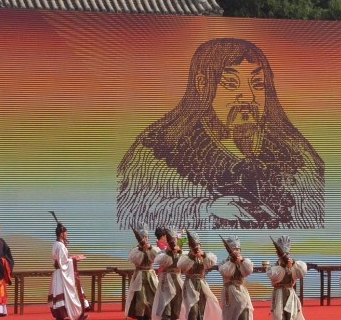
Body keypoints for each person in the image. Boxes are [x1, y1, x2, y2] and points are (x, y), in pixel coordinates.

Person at [117, 37, 325, 229]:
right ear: (202, 85)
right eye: (231, 84)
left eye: (257, 84)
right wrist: (207, 209)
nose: (248, 97)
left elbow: (315, 213)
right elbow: (132, 212)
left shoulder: (294, 151)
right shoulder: (160, 149)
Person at [269, 235, 310, 320]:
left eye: (287, 253)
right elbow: (273, 275)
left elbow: (302, 271)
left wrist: (293, 264)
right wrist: (283, 265)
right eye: (283, 253)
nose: (286, 255)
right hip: (279, 294)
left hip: (291, 294)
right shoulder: (275, 267)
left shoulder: (296, 265)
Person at [177, 231, 220, 320]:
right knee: (193, 309)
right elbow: (181, 265)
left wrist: (203, 254)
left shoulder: (203, 256)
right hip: (190, 284)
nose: (197, 248)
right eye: (194, 246)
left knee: (200, 309)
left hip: (201, 284)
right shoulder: (186, 256)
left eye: (198, 245)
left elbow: (212, 261)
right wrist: (192, 256)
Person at [219, 236, 255, 320]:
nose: (237, 251)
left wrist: (241, 261)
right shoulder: (225, 262)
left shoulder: (244, 261)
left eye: (238, 249)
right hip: (229, 291)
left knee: (244, 313)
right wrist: (232, 262)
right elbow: (226, 272)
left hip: (241, 289)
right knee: (228, 316)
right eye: (234, 249)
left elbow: (248, 271)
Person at [50, 219, 88, 320]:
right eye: (66, 232)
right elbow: (63, 263)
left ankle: (66, 315)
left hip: (59, 273)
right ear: (61, 234)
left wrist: (72, 257)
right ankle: (70, 314)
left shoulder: (56, 244)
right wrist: (75, 259)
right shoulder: (61, 246)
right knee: (67, 293)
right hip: (62, 274)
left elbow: (62, 259)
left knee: (63, 294)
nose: (67, 234)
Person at [151, 228, 184, 320]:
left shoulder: (181, 252)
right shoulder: (163, 252)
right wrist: (169, 251)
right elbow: (160, 260)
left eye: (175, 239)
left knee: (176, 303)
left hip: (177, 279)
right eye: (171, 240)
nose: (173, 242)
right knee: (166, 303)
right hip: (167, 279)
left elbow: (186, 264)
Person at [124, 229, 159, 320]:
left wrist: (149, 248)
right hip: (140, 276)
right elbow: (134, 260)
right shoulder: (135, 250)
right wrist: (141, 250)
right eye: (142, 237)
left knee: (150, 299)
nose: (144, 239)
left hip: (150, 275)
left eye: (146, 237)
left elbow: (157, 258)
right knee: (141, 299)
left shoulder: (153, 249)